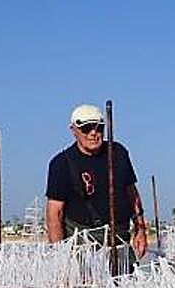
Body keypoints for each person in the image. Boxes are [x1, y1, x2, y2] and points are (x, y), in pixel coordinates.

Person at [45, 103, 148, 267]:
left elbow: (132, 193)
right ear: (73, 130)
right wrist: (60, 256)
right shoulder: (61, 163)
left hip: (118, 234)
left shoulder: (118, 152)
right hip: (83, 238)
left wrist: (140, 229)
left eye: (99, 128)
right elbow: (54, 212)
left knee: (125, 283)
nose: (93, 133)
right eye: (86, 129)